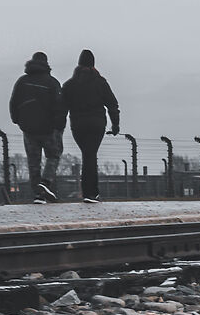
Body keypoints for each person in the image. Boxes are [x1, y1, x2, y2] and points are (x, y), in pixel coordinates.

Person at [60, 49, 121, 202]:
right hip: (96, 124)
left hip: (78, 126)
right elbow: (112, 104)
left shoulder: (69, 84)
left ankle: (89, 192)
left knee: (87, 155)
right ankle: (91, 193)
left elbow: (61, 108)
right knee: (90, 155)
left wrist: (59, 127)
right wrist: (115, 125)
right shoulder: (100, 82)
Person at [8, 52, 66, 201]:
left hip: (29, 129)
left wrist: (18, 121)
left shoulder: (22, 82)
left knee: (33, 162)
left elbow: (13, 103)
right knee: (53, 156)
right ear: (46, 64)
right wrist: (59, 127)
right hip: (49, 129)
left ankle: (37, 195)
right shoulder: (52, 82)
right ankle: (45, 183)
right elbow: (60, 106)